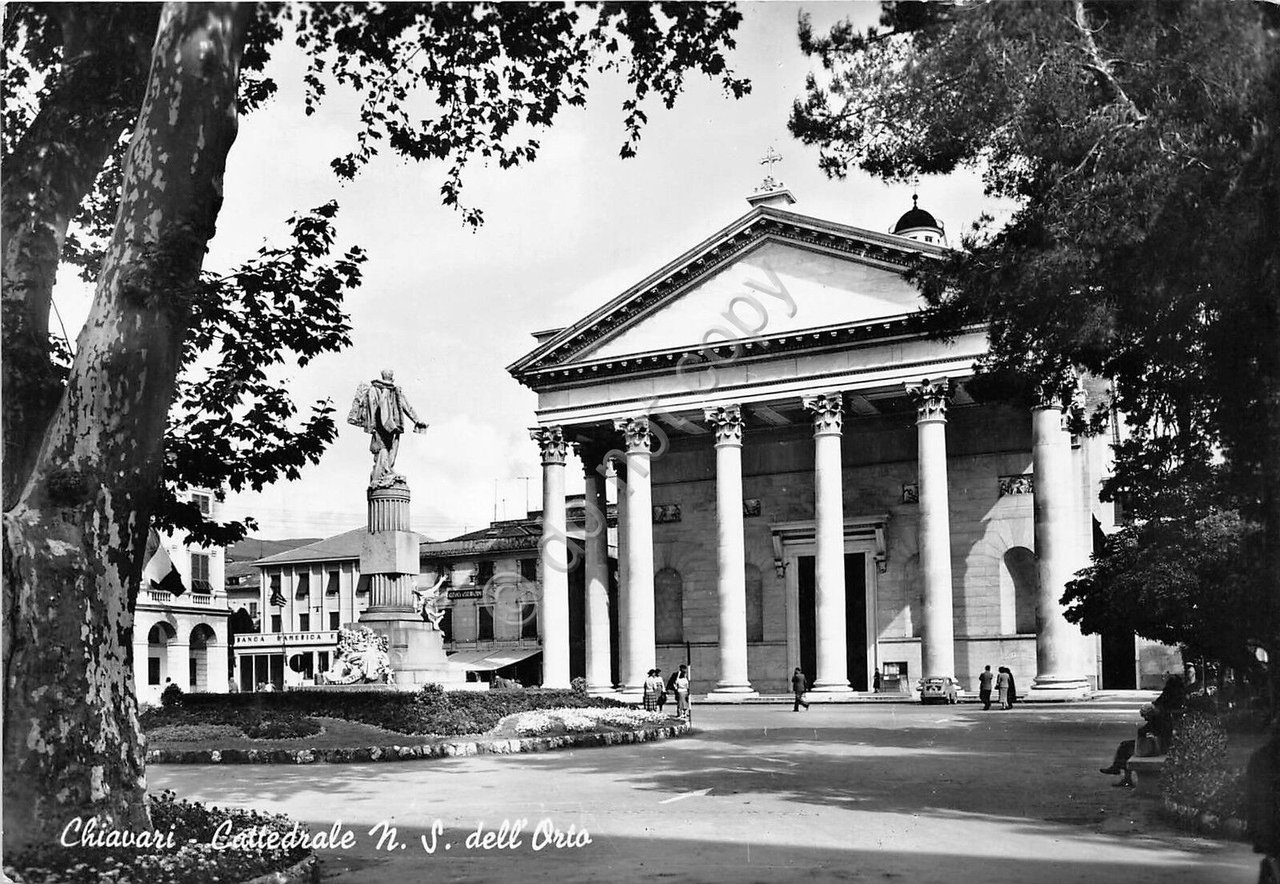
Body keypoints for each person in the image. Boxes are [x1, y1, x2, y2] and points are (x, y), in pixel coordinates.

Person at [1100, 675, 1187, 787]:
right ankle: (1120, 772)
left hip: (1158, 746)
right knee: (1127, 746)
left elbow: (1143, 732)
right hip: (1164, 742)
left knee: (1125, 747)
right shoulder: (1172, 705)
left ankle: (1123, 775)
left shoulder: (1160, 714)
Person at [348, 369, 428, 487]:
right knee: (383, 448)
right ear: (391, 378)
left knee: (389, 449)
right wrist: (416, 420)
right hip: (381, 427)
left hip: (390, 428)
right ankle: (382, 474)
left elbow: (405, 406)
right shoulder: (376, 390)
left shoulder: (387, 390)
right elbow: (404, 407)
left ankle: (386, 471)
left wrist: (416, 420)